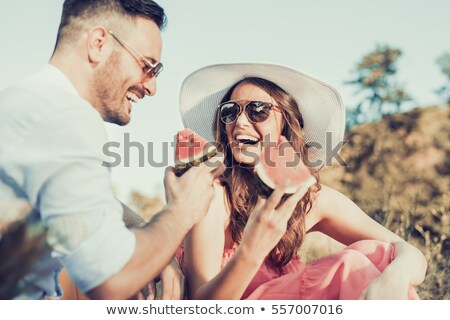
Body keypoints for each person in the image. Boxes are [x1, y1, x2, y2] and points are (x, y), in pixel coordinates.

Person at [0, 0, 224, 300]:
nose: (152, 87)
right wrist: (182, 211)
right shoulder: (65, 118)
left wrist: (154, 242)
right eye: (147, 66)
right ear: (98, 44)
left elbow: (81, 202)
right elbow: (110, 278)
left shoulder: (33, 103)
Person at [176, 63, 427, 299]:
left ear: (286, 124)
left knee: (379, 254)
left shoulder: (309, 197)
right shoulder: (214, 194)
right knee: (348, 266)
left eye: (257, 110)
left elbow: (408, 252)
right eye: (230, 112)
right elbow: (202, 304)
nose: (240, 121)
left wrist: (396, 276)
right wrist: (252, 249)